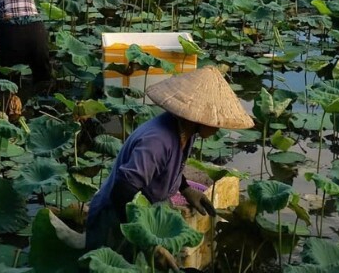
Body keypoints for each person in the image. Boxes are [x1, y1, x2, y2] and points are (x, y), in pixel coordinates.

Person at [85, 66, 254, 258]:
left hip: (143, 207)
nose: (218, 127)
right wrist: (147, 242)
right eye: (215, 122)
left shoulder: (185, 131)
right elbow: (122, 191)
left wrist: (186, 188)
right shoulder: (157, 141)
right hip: (116, 217)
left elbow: (167, 167)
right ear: (197, 118)